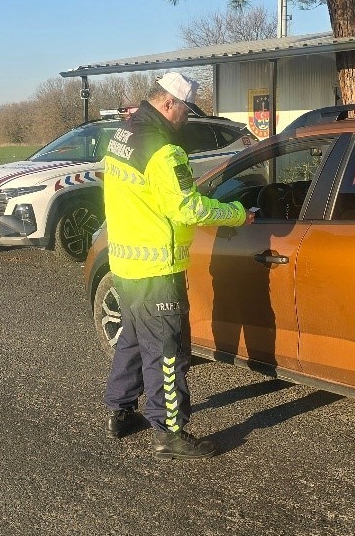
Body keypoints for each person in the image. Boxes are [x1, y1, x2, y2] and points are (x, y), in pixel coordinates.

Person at [101, 72, 255, 459]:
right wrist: (237, 213)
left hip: (125, 262)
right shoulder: (164, 150)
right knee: (167, 351)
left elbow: (147, 195)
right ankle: (169, 432)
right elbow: (187, 208)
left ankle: (120, 412)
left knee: (133, 339)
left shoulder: (124, 135)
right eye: (186, 109)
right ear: (169, 102)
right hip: (156, 267)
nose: (187, 117)